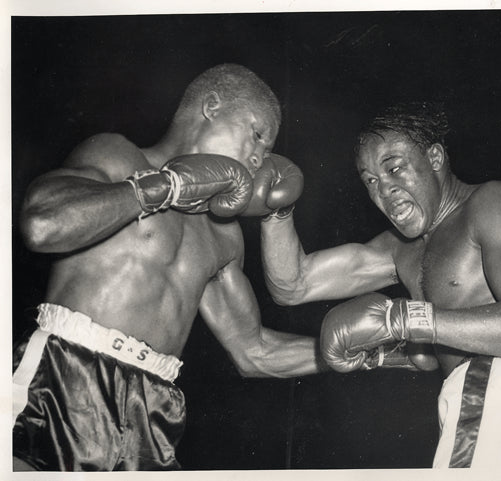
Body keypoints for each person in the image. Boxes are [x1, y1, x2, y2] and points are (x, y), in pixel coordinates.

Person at [13, 63, 323, 471]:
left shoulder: (223, 235)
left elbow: (254, 352)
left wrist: (362, 352)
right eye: (256, 134)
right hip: (65, 377)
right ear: (212, 106)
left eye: (265, 152)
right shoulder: (118, 155)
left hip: (153, 407)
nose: (258, 158)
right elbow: (42, 224)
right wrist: (161, 188)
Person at [260, 102, 501, 475]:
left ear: (435, 157)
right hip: (475, 402)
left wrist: (401, 319)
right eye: (370, 181)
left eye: (395, 168)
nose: (384, 190)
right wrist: (275, 210)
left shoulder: (490, 203)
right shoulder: (400, 249)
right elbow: (292, 285)